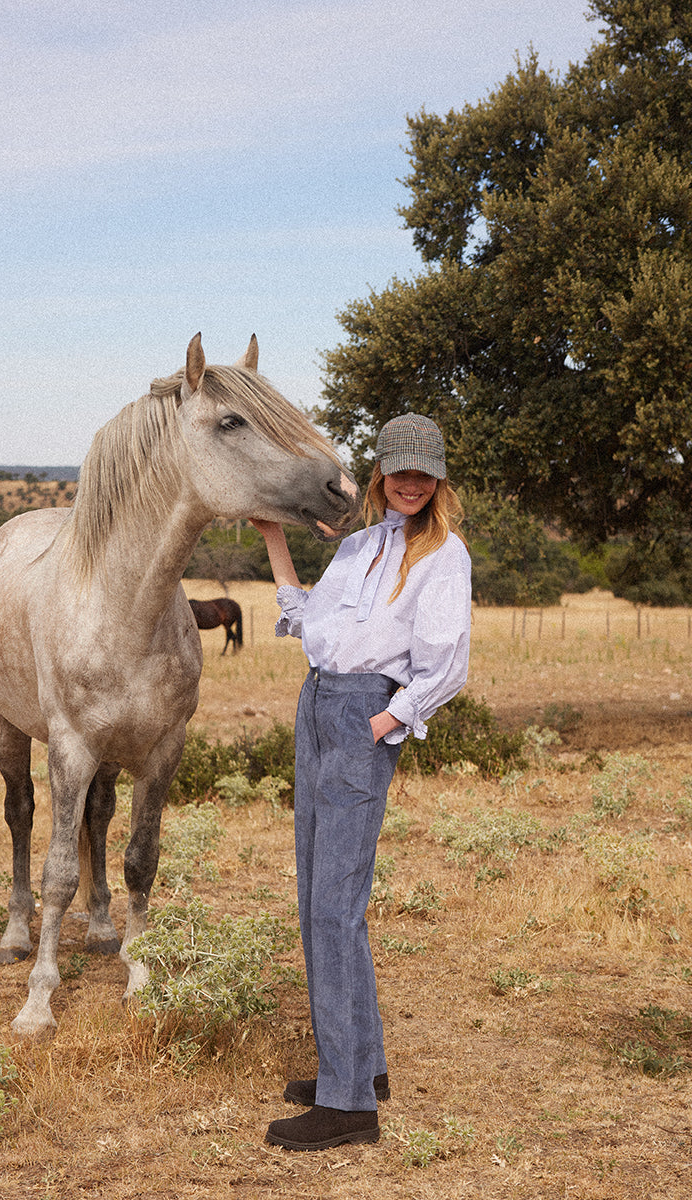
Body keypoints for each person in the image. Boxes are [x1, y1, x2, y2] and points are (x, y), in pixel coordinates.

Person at [251, 412, 472, 1152]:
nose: (410, 482)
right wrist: (275, 540)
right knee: (321, 893)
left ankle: (348, 1107)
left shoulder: (445, 557)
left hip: (362, 714)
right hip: (317, 702)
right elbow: (309, 620)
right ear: (380, 474)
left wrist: (388, 718)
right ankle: (362, 1065)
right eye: (397, 470)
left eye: (423, 471)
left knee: (335, 908)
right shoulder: (358, 544)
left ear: (438, 479)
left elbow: (447, 665)